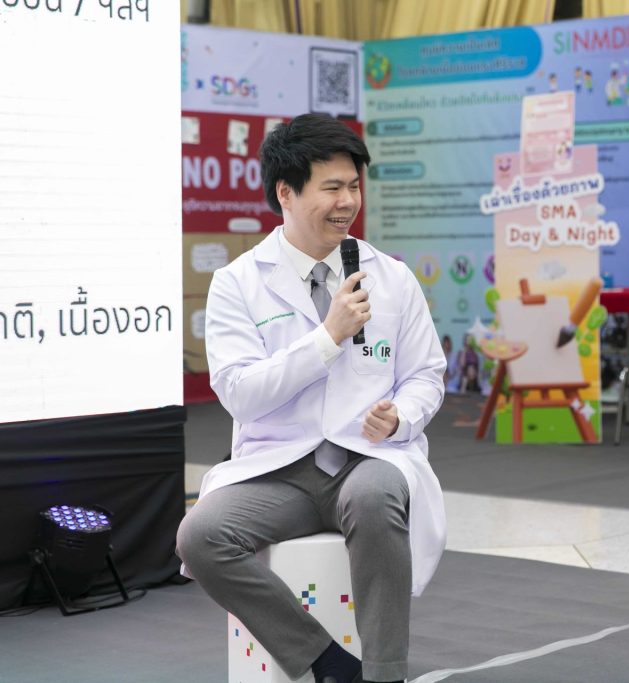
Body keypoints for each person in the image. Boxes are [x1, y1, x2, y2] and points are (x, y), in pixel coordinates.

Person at [176, 113, 447, 683]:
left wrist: (400, 415)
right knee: (200, 536)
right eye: (332, 188)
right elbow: (241, 394)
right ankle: (327, 663)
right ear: (286, 192)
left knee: (373, 498)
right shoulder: (238, 283)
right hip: (281, 471)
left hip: (369, 459)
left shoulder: (392, 277)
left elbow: (426, 374)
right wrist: (328, 337)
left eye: (354, 186)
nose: (347, 202)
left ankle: (386, 673)